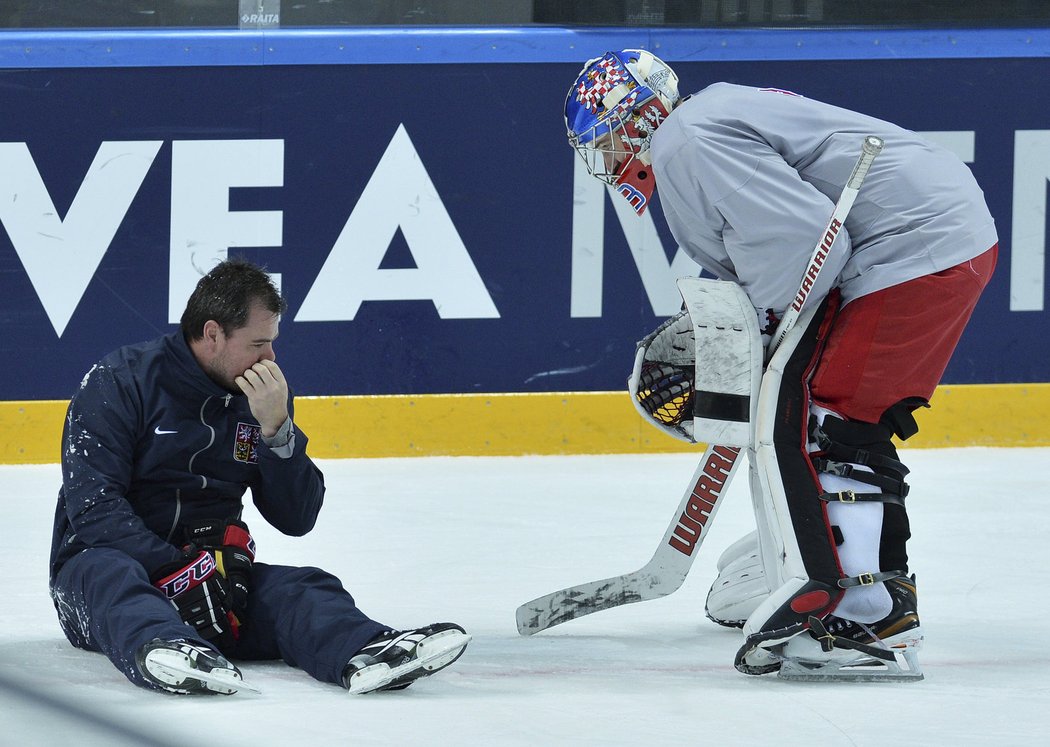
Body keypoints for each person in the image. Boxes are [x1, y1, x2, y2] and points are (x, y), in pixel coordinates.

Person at [565, 50, 997, 680]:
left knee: (828, 419)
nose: (604, 160)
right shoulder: (699, 126)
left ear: (639, 118)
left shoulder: (685, 140)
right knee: (816, 412)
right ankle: (809, 563)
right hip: (924, 237)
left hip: (913, 245)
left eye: (605, 138)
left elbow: (804, 246)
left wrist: (759, 335)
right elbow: (791, 248)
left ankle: (863, 611)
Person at [49, 257, 470, 695]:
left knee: (305, 587)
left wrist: (277, 431)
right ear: (212, 334)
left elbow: (297, 517)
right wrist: (178, 571)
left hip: (216, 581)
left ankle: (368, 651)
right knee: (112, 574)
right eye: (257, 343)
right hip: (103, 577)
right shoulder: (120, 381)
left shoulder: (262, 398)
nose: (270, 357)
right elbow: (95, 509)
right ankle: (167, 649)